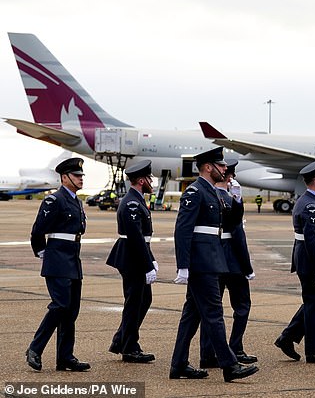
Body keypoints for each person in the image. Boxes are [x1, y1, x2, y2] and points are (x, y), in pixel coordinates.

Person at [169, 146, 258, 382]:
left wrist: (237, 200)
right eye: (221, 166)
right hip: (202, 261)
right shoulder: (195, 191)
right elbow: (183, 229)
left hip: (210, 258)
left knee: (192, 315)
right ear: (208, 167)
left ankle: (178, 365)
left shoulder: (213, 192)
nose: (225, 169)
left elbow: (231, 221)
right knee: (214, 313)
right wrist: (183, 265)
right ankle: (230, 366)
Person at [26, 157, 90, 372]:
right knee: (60, 306)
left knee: (70, 311)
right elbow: (38, 230)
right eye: (76, 176)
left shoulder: (76, 201)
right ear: (64, 177)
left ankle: (65, 357)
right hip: (57, 259)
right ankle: (35, 348)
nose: (81, 179)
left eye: (82, 175)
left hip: (73, 259)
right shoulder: (55, 200)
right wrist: (42, 252)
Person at [274, 160, 315, 364]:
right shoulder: (311, 204)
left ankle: (288, 337)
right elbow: (311, 240)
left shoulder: (309, 200)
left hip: (309, 258)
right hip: (311, 260)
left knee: (312, 303)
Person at [199, 159, 257, 367]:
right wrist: (247, 266)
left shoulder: (209, 196)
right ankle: (235, 347)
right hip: (232, 261)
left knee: (212, 309)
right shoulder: (231, 200)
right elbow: (238, 236)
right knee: (242, 305)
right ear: (230, 176)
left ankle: (208, 352)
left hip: (213, 259)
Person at [106, 160, 158, 363]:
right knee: (134, 303)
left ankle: (121, 341)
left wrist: (151, 260)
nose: (151, 182)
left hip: (137, 255)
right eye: (149, 179)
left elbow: (143, 239)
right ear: (141, 180)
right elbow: (136, 237)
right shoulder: (132, 203)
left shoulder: (136, 199)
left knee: (142, 300)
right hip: (132, 257)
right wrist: (147, 264)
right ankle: (129, 348)